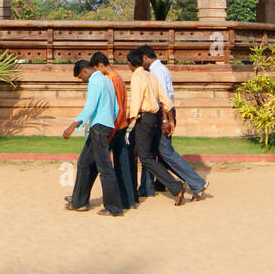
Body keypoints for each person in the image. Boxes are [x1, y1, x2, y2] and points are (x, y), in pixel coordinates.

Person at [138, 44, 209, 201]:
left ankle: (197, 183)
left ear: (145, 58)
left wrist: (165, 120)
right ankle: (153, 185)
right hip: (162, 114)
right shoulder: (158, 69)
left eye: (140, 60)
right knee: (155, 151)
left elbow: (164, 99)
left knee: (165, 151)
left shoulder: (157, 71)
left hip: (164, 113)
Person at [67, 52, 135, 209]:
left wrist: (73, 125)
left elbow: (89, 107)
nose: (82, 81)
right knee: (84, 163)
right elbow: (116, 108)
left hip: (99, 127)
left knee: (105, 168)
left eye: (80, 77)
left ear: (84, 71)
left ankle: (114, 207)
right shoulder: (107, 81)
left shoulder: (95, 81)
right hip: (104, 126)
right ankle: (79, 201)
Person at [125, 48, 186, 205]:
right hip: (154, 118)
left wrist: (128, 121)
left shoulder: (137, 76)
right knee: (132, 150)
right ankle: (131, 190)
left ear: (130, 63)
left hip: (144, 119)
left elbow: (136, 101)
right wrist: (169, 120)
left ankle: (175, 186)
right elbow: (166, 100)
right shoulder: (151, 76)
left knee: (145, 157)